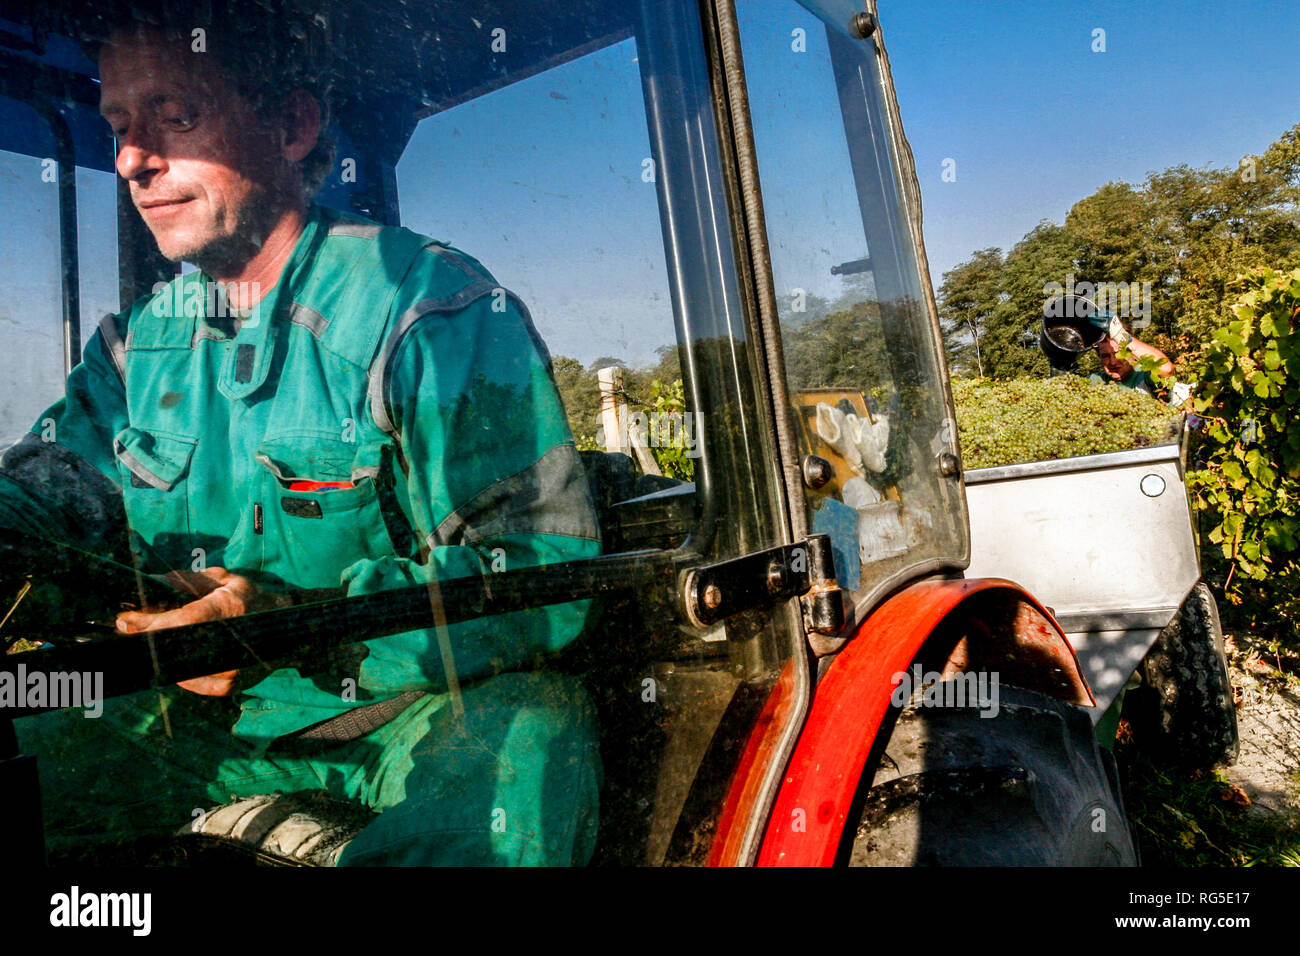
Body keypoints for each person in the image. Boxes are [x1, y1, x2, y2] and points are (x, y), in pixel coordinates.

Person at [2, 3, 603, 865]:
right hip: (180, 713)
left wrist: (299, 619)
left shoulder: (428, 308)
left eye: (176, 117)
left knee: (529, 748)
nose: (132, 159)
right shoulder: (131, 351)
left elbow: (546, 573)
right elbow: (42, 498)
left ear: (289, 124)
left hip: (395, 710)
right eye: (120, 129)